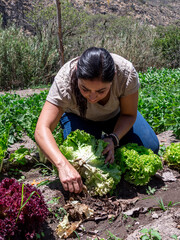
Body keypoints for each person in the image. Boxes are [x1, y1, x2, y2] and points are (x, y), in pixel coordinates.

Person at [35, 47, 159, 194]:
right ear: (76, 71)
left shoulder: (125, 72)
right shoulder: (65, 79)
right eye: (85, 89)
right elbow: (42, 128)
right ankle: (97, 141)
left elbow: (128, 115)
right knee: (82, 160)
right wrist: (62, 165)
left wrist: (113, 138)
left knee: (150, 147)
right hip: (79, 118)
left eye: (101, 91)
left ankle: (108, 143)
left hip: (116, 116)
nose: (92, 97)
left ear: (113, 76)